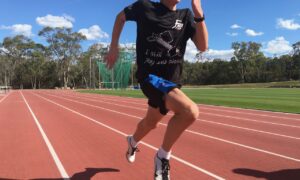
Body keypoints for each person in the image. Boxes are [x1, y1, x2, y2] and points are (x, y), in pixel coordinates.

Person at [105, 0, 208, 179]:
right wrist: (114, 46)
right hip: (150, 78)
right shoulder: (145, 7)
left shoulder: (185, 16)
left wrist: (199, 15)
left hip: (171, 82)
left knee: (150, 123)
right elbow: (120, 17)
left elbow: (202, 46)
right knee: (190, 111)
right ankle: (162, 157)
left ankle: (132, 141)